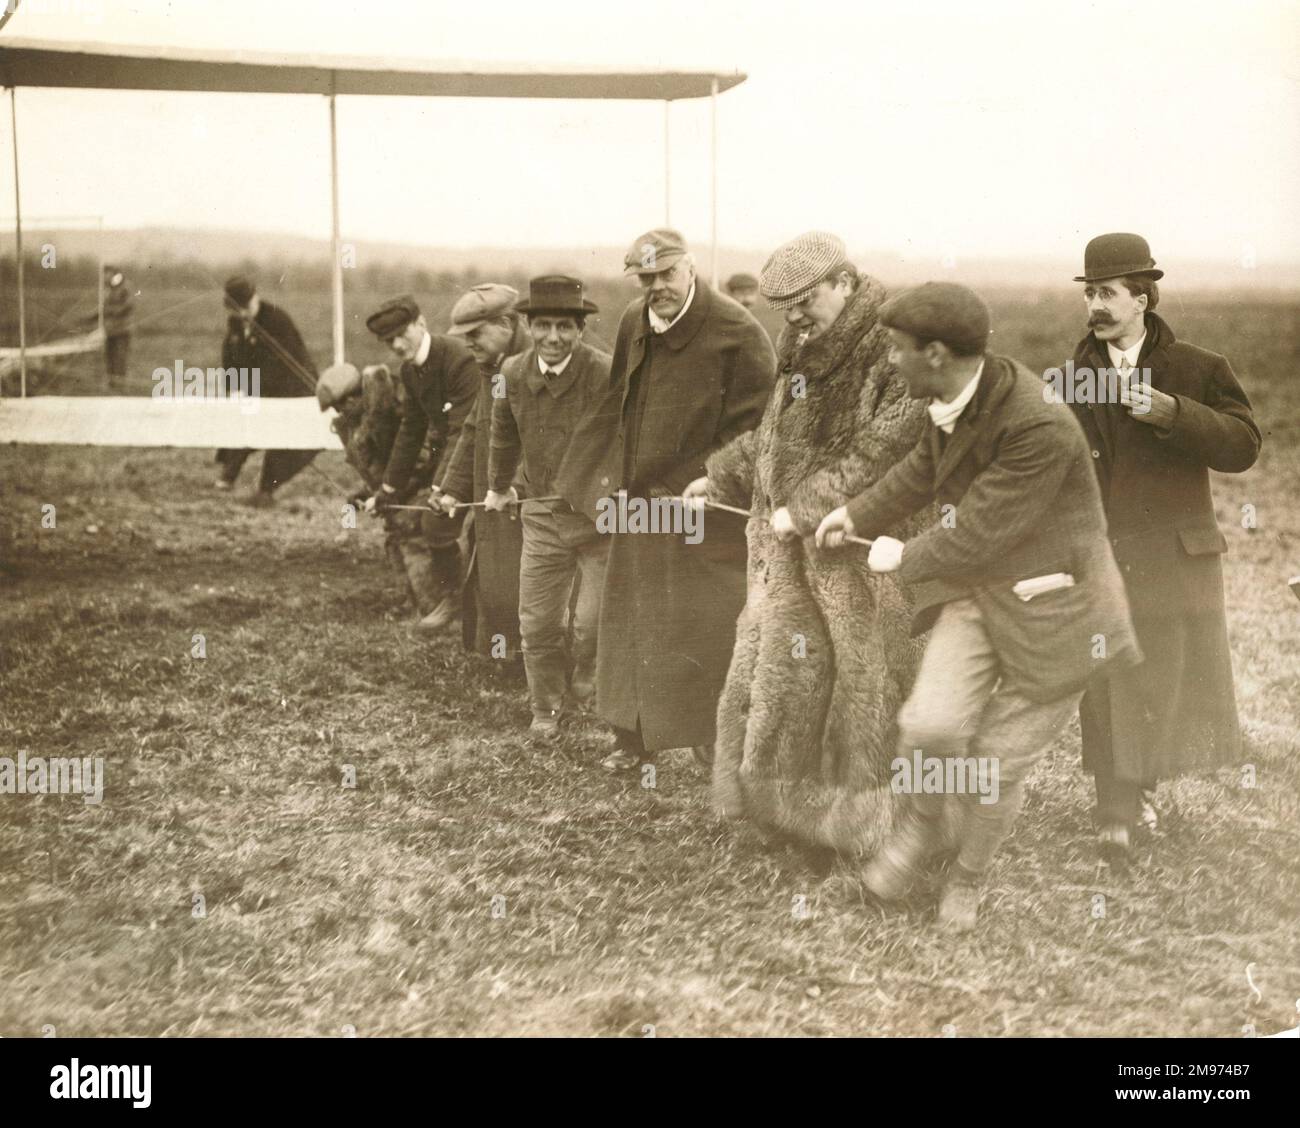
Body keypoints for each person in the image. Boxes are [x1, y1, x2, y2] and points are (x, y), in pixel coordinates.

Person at [815, 282, 1140, 931]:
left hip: (1060, 612)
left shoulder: (1037, 424)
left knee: (993, 765)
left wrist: (900, 559)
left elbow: (978, 531)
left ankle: (968, 877)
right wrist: (854, 513)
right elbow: (922, 470)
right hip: (984, 594)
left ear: (935, 353)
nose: (891, 363)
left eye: (897, 351)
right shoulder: (957, 392)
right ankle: (915, 837)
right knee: (931, 727)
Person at [683, 232, 932, 855]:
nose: (791, 315)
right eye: (784, 304)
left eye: (804, 299)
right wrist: (720, 473)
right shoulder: (803, 343)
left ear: (845, 284)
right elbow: (773, 434)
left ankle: (866, 826)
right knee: (780, 678)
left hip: (858, 552)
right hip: (784, 550)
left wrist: (810, 505)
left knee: (860, 686)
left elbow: (889, 445)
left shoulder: (892, 346)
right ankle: (780, 813)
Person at [1060, 233, 1262, 864]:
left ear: (1143, 297)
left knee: (1162, 678)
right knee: (1108, 675)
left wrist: (1176, 414)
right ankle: (1114, 809)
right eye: (1090, 292)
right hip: (1102, 555)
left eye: (1108, 292)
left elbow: (1243, 446)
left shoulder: (1197, 369)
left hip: (1174, 557)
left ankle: (1138, 789)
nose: (1095, 304)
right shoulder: (1072, 378)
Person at [557, 227, 775, 772]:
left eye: (667, 274)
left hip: (702, 510)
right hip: (637, 503)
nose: (657, 287)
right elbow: (617, 404)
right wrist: (597, 478)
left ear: (691, 267)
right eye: (647, 278)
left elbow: (754, 431)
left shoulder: (739, 334)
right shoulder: (635, 321)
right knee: (629, 621)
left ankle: (714, 740)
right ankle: (632, 741)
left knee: (704, 625)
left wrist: (705, 483)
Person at [484, 275, 614, 737]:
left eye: (564, 326)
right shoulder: (512, 375)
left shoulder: (604, 372)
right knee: (537, 621)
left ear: (580, 329)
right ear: (530, 326)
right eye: (543, 326)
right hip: (540, 515)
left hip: (599, 518)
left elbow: (623, 441)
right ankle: (545, 707)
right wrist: (499, 486)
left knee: (593, 623)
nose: (553, 337)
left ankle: (586, 679)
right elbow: (503, 434)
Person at [364, 294, 479, 633]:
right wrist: (388, 488)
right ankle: (454, 599)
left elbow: (463, 429)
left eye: (403, 334)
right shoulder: (410, 372)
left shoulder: (458, 358)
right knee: (436, 526)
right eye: (389, 340)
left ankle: (477, 607)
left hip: (484, 448)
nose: (398, 345)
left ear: (422, 324)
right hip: (452, 454)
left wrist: (444, 487)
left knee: (458, 527)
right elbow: (411, 431)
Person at [435, 284, 530, 659]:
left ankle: (530, 661)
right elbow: (475, 427)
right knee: (493, 575)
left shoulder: (535, 363)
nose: (468, 345)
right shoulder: (489, 368)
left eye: (475, 334)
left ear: (506, 323)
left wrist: (515, 487)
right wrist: (451, 488)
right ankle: (500, 654)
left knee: (527, 581)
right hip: (494, 499)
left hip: (527, 500)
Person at [317, 361, 443, 621]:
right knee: (396, 545)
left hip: (420, 494)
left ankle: (434, 611)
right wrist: (367, 493)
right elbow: (380, 469)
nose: (340, 412)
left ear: (356, 396)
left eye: (342, 404)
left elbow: (418, 462)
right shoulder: (359, 424)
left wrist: (387, 493)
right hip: (395, 500)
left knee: (415, 543)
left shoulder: (392, 416)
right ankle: (414, 604)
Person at [213, 275, 319, 506]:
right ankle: (228, 475)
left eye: (246, 308)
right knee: (244, 424)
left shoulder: (277, 321)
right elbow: (230, 359)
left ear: (255, 298)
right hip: (259, 390)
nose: (242, 314)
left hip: (294, 392)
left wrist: (252, 392)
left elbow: (284, 366)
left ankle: (265, 490)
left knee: (282, 441)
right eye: (236, 310)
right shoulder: (236, 326)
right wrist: (234, 389)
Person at [102, 264, 134, 387]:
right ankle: (111, 382)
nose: (105, 277)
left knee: (120, 356)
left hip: (122, 329)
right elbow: (103, 308)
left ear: (113, 273)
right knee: (109, 356)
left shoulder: (125, 286)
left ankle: (121, 382)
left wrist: (112, 311)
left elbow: (129, 304)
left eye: (107, 274)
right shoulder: (108, 289)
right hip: (110, 330)